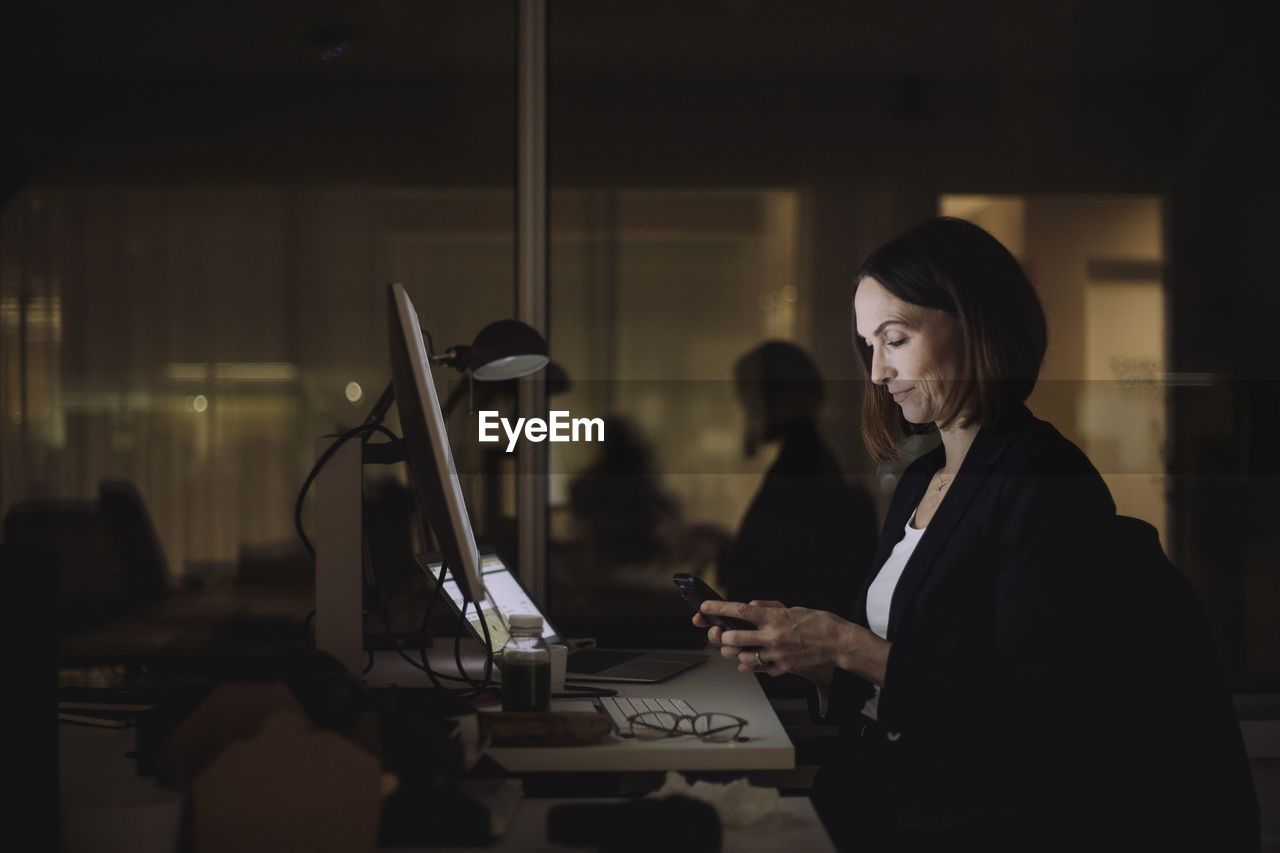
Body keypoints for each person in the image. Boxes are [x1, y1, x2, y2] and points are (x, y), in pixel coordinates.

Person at [694, 218, 1259, 851]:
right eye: (868, 347)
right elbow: (906, 680)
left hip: (967, 819)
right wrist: (813, 654)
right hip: (878, 790)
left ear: (975, 323)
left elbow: (1034, 715)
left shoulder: (1044, 479)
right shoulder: (922, 479)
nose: (877, 372)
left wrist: (848, 646)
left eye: (896, 338)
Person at [718, 341, 877, 615]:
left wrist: (719, 549)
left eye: (749, 396)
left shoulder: (800, 466)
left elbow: (770, 576)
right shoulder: (812, 458)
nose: (747, 410)